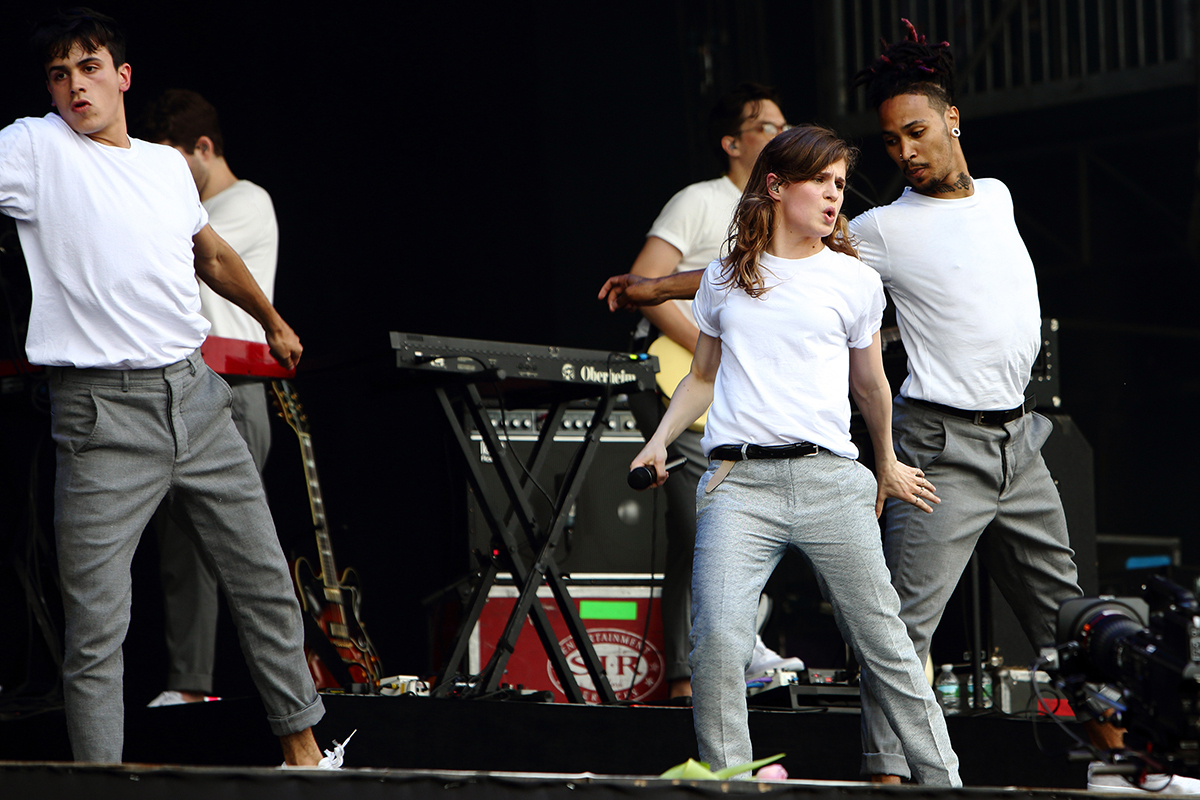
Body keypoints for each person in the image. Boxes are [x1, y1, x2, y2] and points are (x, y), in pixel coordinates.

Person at [601, 20, 1196, 795]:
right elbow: (763, 263)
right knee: (895, 630)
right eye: (889, 142)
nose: (905, 152)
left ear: (951, 120)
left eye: (915, 131)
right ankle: (888, 778)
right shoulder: (873, 233)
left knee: (1075, 615)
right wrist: (658, 286)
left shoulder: (1003, 198)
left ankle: (1129, 767)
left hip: (1019, 438)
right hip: (939, 442)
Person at [0, 8, 339, 766]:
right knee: (97, 626)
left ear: (122, 77)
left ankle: (307, 758)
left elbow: (210, 254)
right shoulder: (33, 148)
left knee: (262, 583)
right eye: (59, 73)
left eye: (88, 67)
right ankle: (101, 783)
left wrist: (274, 321)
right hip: (100, 415)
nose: (74, 84)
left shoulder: (161, 164)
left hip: (197, 396)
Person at [629, 124, 960, 785]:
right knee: (718, 641)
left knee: (886, 645)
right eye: (822, 181)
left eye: (842, 183)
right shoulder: (724, 278)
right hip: (737, 483)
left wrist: (887, 461)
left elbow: (869, 384)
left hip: (829, 479)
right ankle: (727, 780)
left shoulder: (854, 280)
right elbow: (701, 375)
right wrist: (659, 440)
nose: (836, 195)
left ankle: (943, 780)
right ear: (778, 187)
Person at [626, 83, 801, 703]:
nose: (781, 136)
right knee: (706, 530)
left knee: (739, 524)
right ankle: (691, 677)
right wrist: (714, 342)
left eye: (787, 126)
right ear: (732, 143)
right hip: (685, 383)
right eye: (766, 127)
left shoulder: (784, 214)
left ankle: (711, 664)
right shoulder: (702, 201)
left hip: (743, 401)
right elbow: (645, 282)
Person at [136, 88, 280, 708]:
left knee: (238, 549)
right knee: (181, 545)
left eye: (176, 159)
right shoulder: (185, 202)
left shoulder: (244, 201)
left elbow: (188, 262)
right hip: (178, 386)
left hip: (232, 387)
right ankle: (191, 686)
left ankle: (278, 698)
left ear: (203, 148)